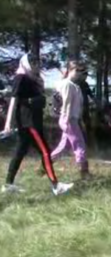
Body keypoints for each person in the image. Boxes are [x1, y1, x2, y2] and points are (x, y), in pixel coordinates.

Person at [1, 54, 73, 195]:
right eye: (33, 62)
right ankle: (56, 186)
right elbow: (14, 100)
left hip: (33, 120)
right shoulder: (20, 77)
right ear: (26, 63)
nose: (36, 65)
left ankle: (8, 185)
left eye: (37, 63)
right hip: (29, 122)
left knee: (20, 152)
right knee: (45, 152)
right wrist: (8, 122)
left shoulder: (32, 78)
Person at [51, 61, 91, 179]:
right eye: (77, 70)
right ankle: (84, 173)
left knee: (64, 146)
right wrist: (67, 119)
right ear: (70, 70)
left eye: (82, 71)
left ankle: (45, 165)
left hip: (72, 118)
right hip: (69, 118)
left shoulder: (75, 85)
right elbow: (67, 103)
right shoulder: (67, 84)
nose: (80, 73)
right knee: (80, 144)